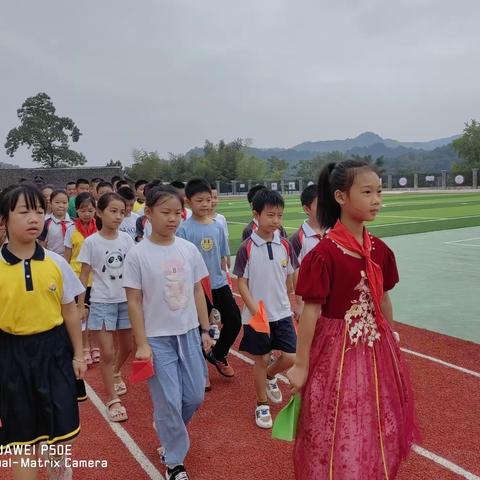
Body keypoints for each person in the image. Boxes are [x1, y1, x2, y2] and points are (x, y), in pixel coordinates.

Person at [287, 160, 418, 479]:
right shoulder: (324, 254)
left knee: (375, 413)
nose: (377, 200)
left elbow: (383, 297)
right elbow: (311, 311)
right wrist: (301, 364)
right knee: (336, 417)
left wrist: (392, 334)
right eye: (367, 192)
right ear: (341, 197)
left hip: (376, 345)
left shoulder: (380, 251)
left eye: (379, 192)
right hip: (337, 350)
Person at [124, 185, 214, 480]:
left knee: (194, 397)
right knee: (170, 402)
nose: (173, 218)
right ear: (148, 213)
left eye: (177, 213)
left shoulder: (187, 250)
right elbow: (134, 301)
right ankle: (175, 462)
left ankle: (166, 424)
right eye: (166, 212)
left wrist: (205, 329)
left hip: (188, 333)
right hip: (157, 339)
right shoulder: (137, 254)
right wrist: (141, 344)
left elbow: (197, 291)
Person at [0, 184, 86, 480]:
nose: (34, 218)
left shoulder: (56, 263)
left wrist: (79, 354)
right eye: (24, 211)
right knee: (22, 437)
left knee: (64, 433)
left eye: (39, 210)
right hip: (11, 356)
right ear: (4, 220)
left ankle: (58, 468)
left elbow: (70, 311)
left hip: (54, 352)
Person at [234, 189, 298, 429]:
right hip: (256, 316)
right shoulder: (247, 248)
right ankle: (261, 403)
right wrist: (255, 310)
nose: (276, 221)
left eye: (280, 215)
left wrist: (294, 299)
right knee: (260, 359)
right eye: (270, 215)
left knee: (291, 357)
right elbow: (241, 282)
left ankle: (271, 375)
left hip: (281, 312)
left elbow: (290, 274)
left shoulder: (285, 244)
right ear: (256, 215)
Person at [77, 192, 134, 422]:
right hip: (101, 302)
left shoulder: (127, 240)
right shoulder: (91, 242)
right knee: (107, 352)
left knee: (128, 347)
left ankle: (115, 371)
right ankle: (112, 399)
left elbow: (134, 271)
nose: (118, 216)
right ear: (99, 213)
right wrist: (81, 304)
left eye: (122, 212)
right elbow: (83, 276)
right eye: (113, 211)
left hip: (125, 301)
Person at [177, 178, 241, 377]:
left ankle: (218, 354)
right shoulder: (184, 230)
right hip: (196, 287)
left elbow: (222, 256)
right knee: (198, 329)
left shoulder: (217, 226)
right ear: (188, 202)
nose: (205, 204)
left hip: (218, 283)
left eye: (208, 200)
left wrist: (225, 268)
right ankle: (200, 373)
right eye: (199, 200)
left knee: (234, 320)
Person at [64, 192, 98, 365]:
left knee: (94, 313)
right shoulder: (71, 230)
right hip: (77, 278)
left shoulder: (99, 228)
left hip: (96, 278)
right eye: (83, 210)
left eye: (90, 210)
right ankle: (84, 346)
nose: (87, 214)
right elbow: (67, 257)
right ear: (76, 210)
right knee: (81, 313)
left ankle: (94, 345)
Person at [289, 184, 324, 320]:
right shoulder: (298, 238)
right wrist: (299, 303)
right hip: (310, 302)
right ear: (306, 209)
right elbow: (295, 272)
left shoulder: (333, 231)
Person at [38, 189, 73, 256]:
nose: (61, 205)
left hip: (72, 261)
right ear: (50, 203)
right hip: (53, 259)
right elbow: (42, 246)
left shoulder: (73, 223)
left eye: (64, 203)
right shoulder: (45, 224)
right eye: (57, 202)